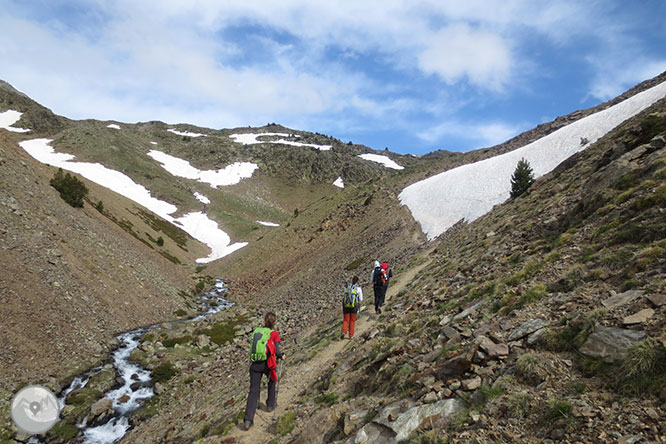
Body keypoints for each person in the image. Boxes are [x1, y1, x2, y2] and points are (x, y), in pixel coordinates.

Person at [243, 312, 285, 430]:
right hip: (268, 363)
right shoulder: (274, 334)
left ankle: (248, 420)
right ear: (274, 322)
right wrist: (282, 356)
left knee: (253, 390)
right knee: (272, 381)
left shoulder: (257, 331)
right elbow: (276, 351)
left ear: (264, 321)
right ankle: (270, 404)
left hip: (255, 364)